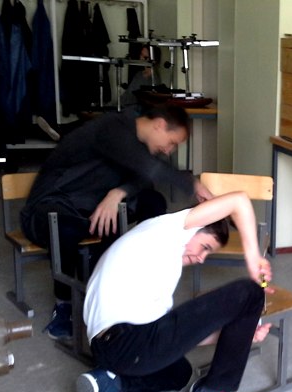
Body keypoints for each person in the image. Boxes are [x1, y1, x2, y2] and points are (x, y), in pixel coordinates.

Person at [76, 189, 274, 392]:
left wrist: (241, 335)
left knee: (179, 372)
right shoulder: (168, 229)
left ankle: (110, 382)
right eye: (205, 247)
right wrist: (253, 258)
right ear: (194, 229)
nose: (201, 258)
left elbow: (180, 339)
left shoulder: (156, 260)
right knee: (251, 293)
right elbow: (239, 201)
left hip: (109, 349)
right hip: (126, 340)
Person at [20, 104, 211, 340]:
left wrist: (118, 192)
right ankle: (64, 306)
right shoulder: (112, 127)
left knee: (153, 202)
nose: (169, 150)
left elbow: (143, 178)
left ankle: (140, 277)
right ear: (159, 125)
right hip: (52, 203)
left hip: (94, 204)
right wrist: (193, 184)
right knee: (67, 229)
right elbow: (150, 169)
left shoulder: (142, 144)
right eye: (171, 142)